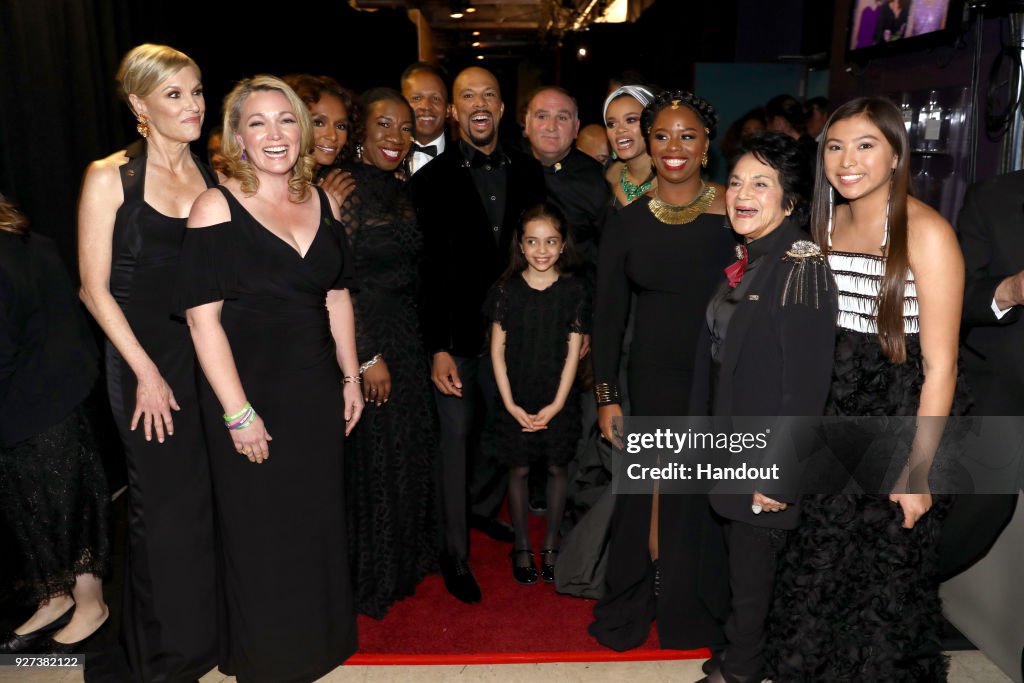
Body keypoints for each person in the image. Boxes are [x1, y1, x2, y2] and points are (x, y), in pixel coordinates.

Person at [768, 96, 965, 681]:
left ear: (896, 153)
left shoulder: (926, 233)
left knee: (880, 598)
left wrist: (919, 470)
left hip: (898, 426)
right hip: (829, 420)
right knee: (813, 578)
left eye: (864, 145)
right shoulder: (822, 226)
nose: (846, 160)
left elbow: (941, 367)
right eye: (834, 146)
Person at [179, 75, 362, 682]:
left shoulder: (325, 202)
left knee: (315, 519)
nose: (274, 134)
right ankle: (269, 657)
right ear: (237, 136)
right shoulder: (215, 207)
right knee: (260, 529)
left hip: (315, 388)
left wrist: (350, 376)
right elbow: (204, 323)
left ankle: (319, 641)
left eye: (286, 120)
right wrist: (237, 411)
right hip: (249, 389)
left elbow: (336, 296)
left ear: (302, 130)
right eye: (257, 123)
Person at [77, 43, 218, 681]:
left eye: (196, 91)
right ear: (139, 105)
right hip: (140, 362)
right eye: (174, 95)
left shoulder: (210, 175)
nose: (193, 106)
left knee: (199, 506)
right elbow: (93, 289)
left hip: (202, 354)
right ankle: (158, 655)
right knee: (158, 509)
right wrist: (147, 373)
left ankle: (199, 638)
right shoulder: (109, 176)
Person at [590, 90, 736, 651]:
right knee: (649, 492)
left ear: (706, 146)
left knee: (701, 494)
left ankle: (690, 605)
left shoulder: (736, 213)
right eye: (663, 136)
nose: (674, 147)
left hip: (716, 375)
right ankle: (643, 594)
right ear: (648, 146)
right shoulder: (627, 222)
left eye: (688, 136)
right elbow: (606, 318)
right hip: (650, 377)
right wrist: (607, 396)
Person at [691, 133, 837, 683]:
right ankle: (738, 654)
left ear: (790, 200)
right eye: (735, 181)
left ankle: (742, 671)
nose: (742, 194)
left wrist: (776, 473)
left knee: (753, 577)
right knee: (740, 571)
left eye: (760, 183)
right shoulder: (752, 257)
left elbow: (804, 386)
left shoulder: (799, 263)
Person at [411, 66, 546, 604]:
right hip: (457, 337)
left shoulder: (530, 172)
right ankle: (453, 552)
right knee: (456, 437)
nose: (479, 103)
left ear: (502, 107)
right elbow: (426, 274)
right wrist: (438, 346)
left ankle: (478, 510)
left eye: (490, 92)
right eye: (468, 95)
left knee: (501, 434)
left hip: (514, 335)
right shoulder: (429, 182)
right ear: (454, 111)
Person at [337, 87, 440, 618]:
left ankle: (405, 558)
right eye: (383, 126)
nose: (396, 137)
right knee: (375, 457)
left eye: (404, 127)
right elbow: (342, 279)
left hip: (407, 332)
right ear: (361, 131)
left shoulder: (400, 186)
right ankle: (372, 568)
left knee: (406, 449)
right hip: (370, 335)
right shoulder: (348, 191)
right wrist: (366, 356)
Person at [0, 194, 110, 654]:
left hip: (39, 399)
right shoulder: (30, 242)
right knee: (31, 507)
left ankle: (90, 603)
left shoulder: (14, 252)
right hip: (38, 398)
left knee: (66, 505)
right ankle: (54, 595)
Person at [484, 202, 589, 584]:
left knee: (558, 467)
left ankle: (552, 546)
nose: (541, 250)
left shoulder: (574, 290)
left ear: (563, 246)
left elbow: (575, 352)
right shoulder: (506, 291)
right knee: (520, 468)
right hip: (516, 394)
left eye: (550, 242)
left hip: (558, 395)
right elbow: (496, 351)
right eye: (533, 241)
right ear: (521, 245)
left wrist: (558, 404)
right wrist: (510, 404)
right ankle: (523, 546)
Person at [524, 86, 609, 278]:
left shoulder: (597, 181)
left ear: (576, 128)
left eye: (562, 118)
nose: (551, 126)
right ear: (527, 124)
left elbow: (608, 255)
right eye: (542, 116)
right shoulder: (505, 167)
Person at [283, 73, 357, 206]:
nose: (333, 136)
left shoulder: (338, 180)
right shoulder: (268, 181)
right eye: (318, 123)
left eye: (341, 126)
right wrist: (320, 207)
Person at [603, 85, 657, 208]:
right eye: (611, 124)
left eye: (631, 120)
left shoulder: (676, 180)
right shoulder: (606, 177)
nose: (620, 130)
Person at [401, 62, 449, 176]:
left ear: (448, 109)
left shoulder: (467, 161)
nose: (426, 106)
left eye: (435, 98)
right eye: (417, 98)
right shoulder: (382, 158)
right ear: (400, 104)